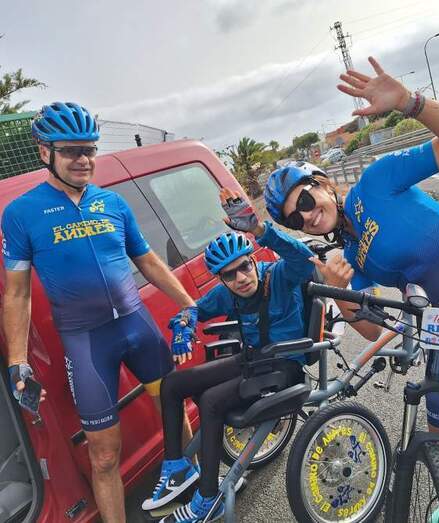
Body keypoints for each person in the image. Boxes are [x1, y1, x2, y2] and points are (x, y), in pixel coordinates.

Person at [264, 57, 439, 522]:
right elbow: (370, 327)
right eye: (293, 218)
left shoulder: (375, 182)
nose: (305, 215)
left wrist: (408, 102)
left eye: (304, 199)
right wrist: (340, 294)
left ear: (322, 184)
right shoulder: (348, 253)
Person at [1, 102, 197, 523]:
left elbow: (148, 261)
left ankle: (197, 497)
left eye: (89, 149)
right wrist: (18, 360)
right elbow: (17, 294)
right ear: (45, 152)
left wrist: (188, 304)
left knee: (174, 413)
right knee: (104, 456)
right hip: (88, 344)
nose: (84, 160)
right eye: (71, 151)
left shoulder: (112, 202)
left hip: (138, 328)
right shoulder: (20, 214)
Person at [145, 187, 381, 523]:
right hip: (254, 361)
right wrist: (184, 321)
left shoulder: (280, 276)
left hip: (285, 365)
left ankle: (207, 499)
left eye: (244, 267)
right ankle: (177, 469)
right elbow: (195, 310)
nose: (240, 278)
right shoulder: (227, 294)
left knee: (211, 401)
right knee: (172, 384)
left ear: (253, 260)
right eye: (229, 275)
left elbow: (302, 258)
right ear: (221, 279)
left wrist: (259, 229)